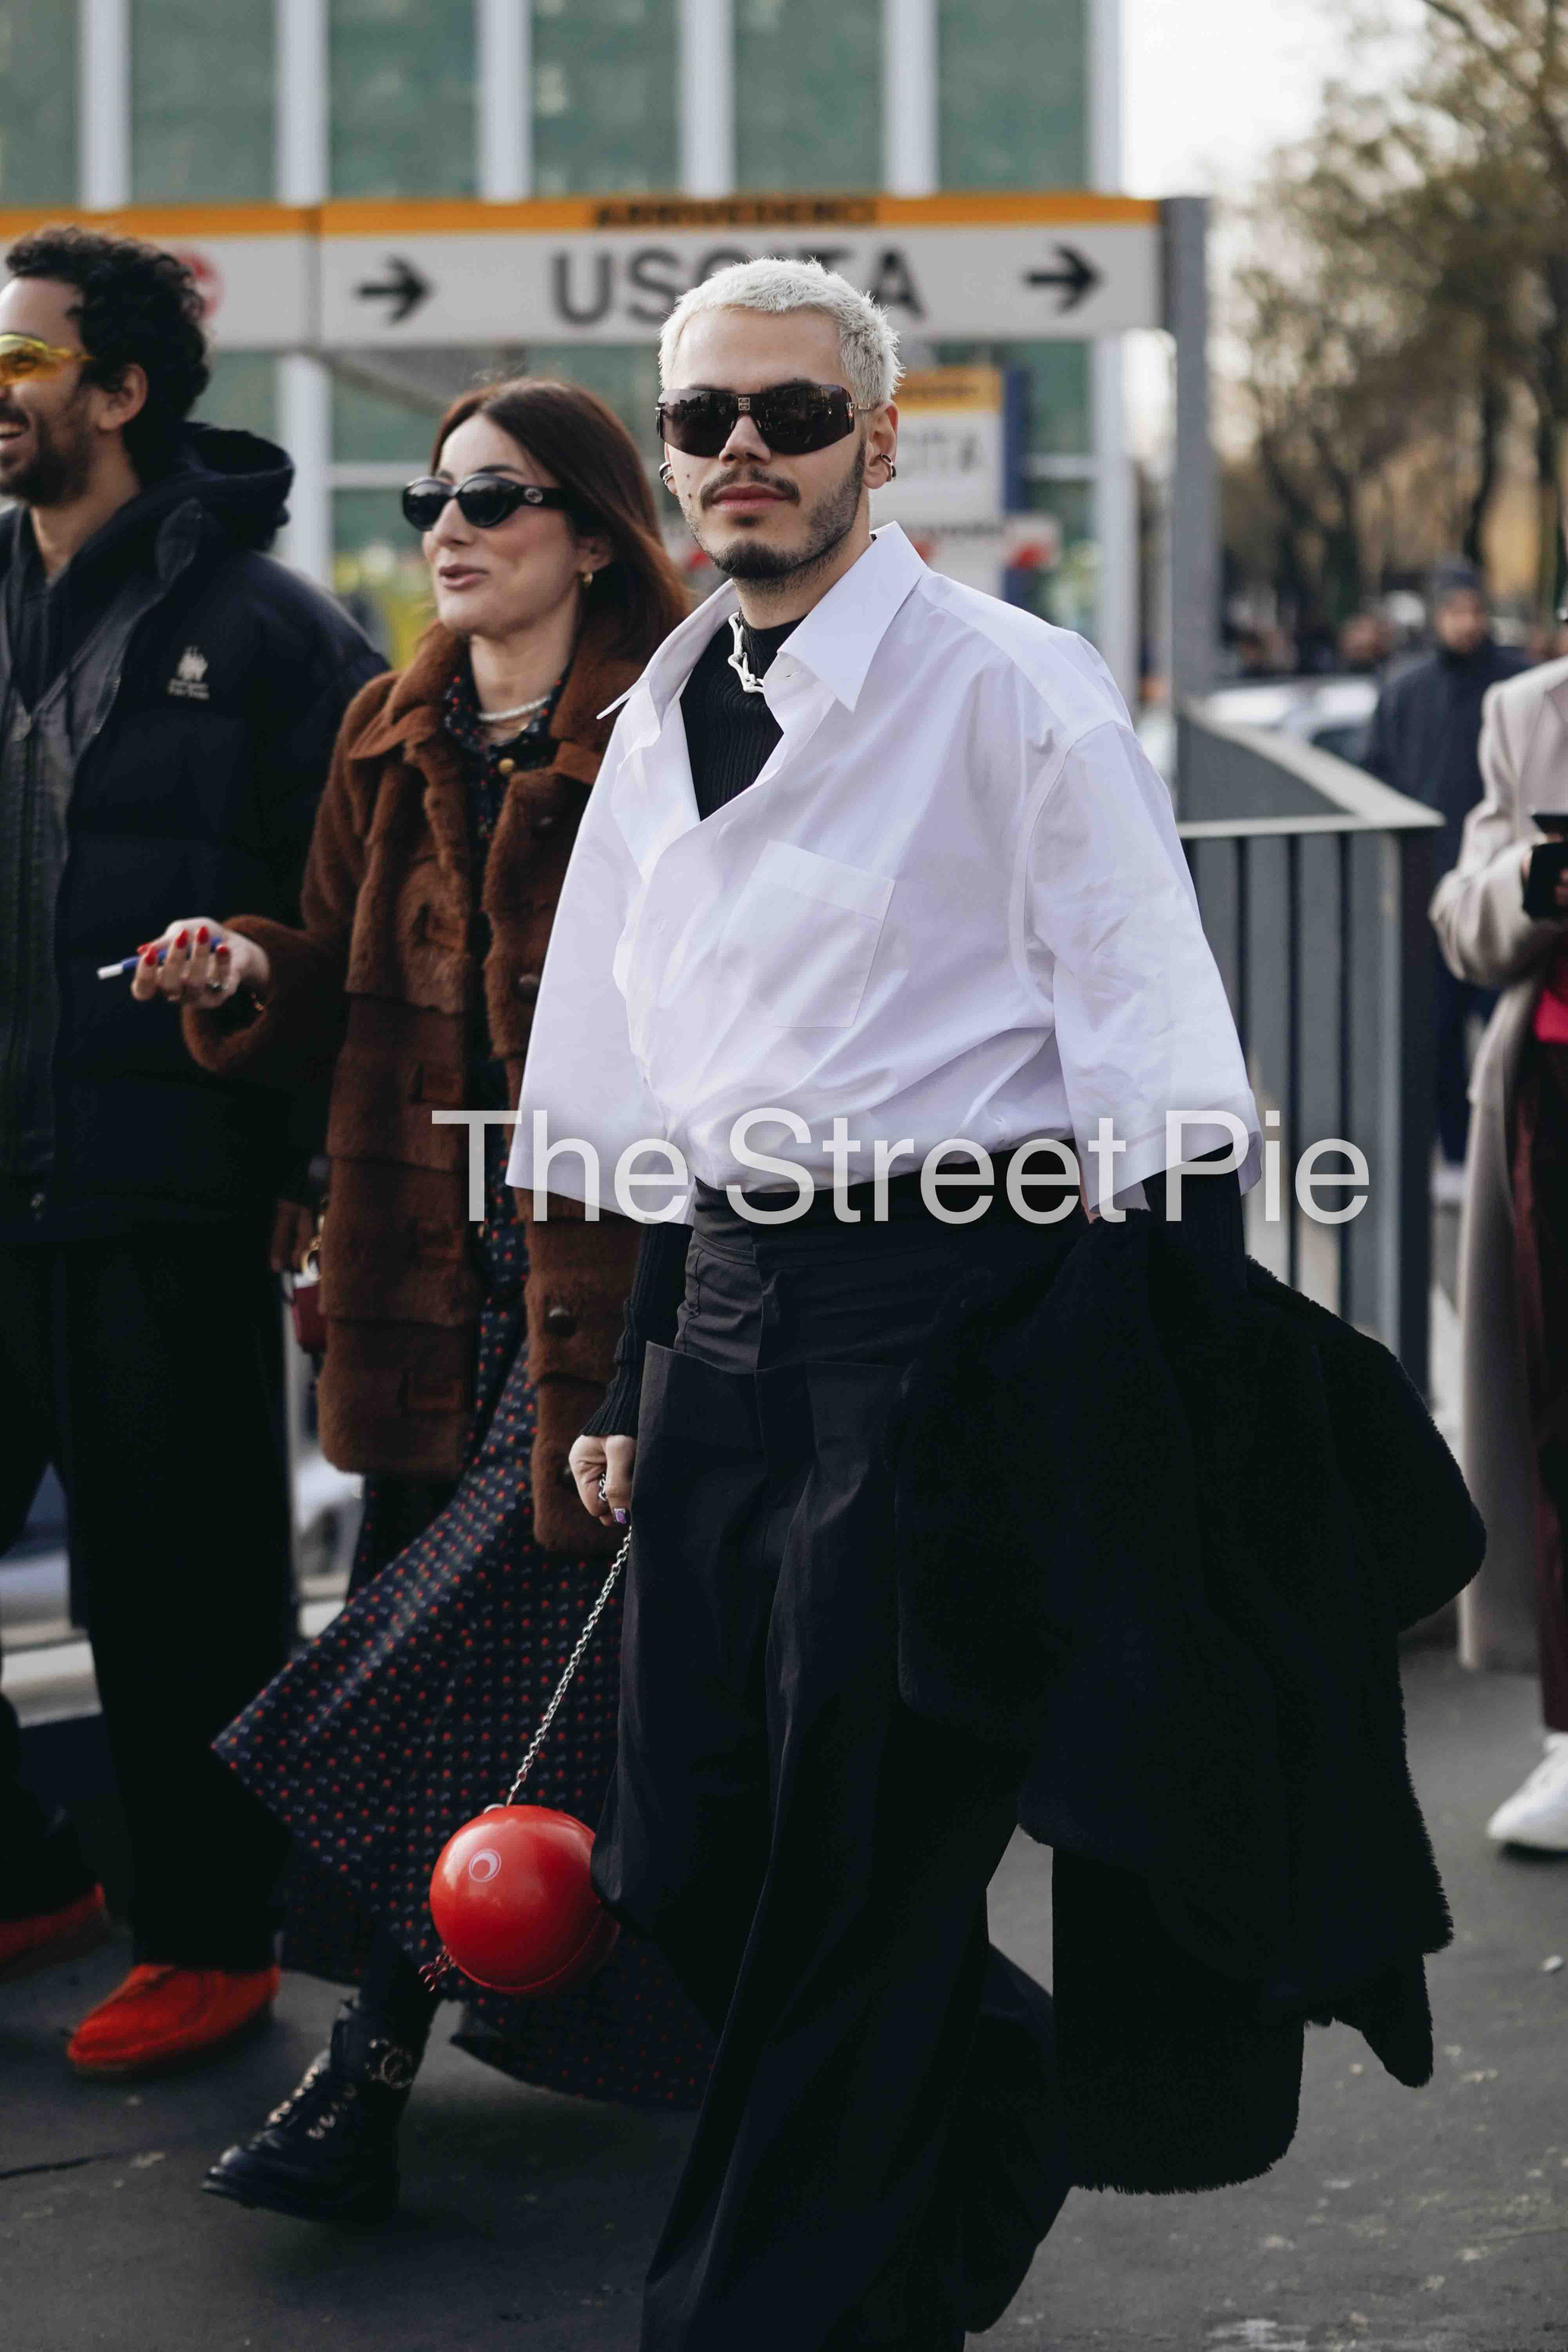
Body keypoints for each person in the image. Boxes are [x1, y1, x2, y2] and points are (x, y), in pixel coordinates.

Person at [510, 260, 1472, 2352]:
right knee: (690, 1859)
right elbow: (674, 1087)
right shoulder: (666, 704)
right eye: (702, 420)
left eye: (789, 413)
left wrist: (1167, 1420)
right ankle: (995, 2103)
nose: (743, 451)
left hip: (945, 1336)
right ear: (666, 454)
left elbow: (1158, 1059)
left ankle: (751, 2321)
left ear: (876, 438)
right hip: (729, 1324)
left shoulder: (1012, 687)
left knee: (858, 1879)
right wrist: (637, 1368)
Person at [136, 377, 712, 2225]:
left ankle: (366, 2071)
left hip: (604, 1278)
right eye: (432, 498)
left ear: (594, 532)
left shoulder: (679, 731)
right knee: (488, 1677)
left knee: (431, 1688)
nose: (448, 530)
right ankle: (743, 2048)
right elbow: (329, 976)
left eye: (494, 498)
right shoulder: (391, 728)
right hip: (421, 1280)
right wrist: (243, 969)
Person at [0, 226, 381, 2072]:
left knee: (179, 1593)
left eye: (22, 359)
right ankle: (27, 1878)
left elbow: (359, 915)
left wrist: (310, 1162)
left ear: (122, 388)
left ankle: (212, 1941)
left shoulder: (273, 631)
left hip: (169, 1178)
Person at [1432, 651, 1568, 1851]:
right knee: (1557, 1417)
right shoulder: (1526, 713)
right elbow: (1462, 923)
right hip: (1554, 1096)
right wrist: (1534, 876)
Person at [1365, 559, 1530, 1196]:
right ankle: (1459, 1155)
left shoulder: (1515, 684)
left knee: (1507, 1027)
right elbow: (1378, 779)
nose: (1466, 623)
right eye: (1455, 611)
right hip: (1431, 889)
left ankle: (1513, 1153)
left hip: (1505, 889)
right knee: (1436, 1031)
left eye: (1474, 610)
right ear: (1437, 616)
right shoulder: (1407, 691)